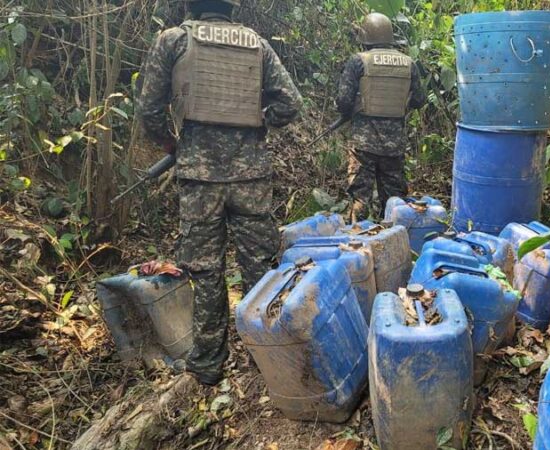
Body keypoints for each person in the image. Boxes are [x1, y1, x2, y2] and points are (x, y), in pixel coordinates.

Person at [136, 0, 302, 385]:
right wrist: (258, 122)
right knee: (260, 264)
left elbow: (149, 109)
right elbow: (291, 103)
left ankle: (209, 363)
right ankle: (268, 357)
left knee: (206, 270)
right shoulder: (256, 43)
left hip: (199, 180)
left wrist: (173, 144)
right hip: (251, 176)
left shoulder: (174, 39)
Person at [336, 12, 426, 222]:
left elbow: (343, 101)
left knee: (360, 198)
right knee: (395, 201)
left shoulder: (358, 61)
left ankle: (359, 241)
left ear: (365, 37)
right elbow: (419, 99)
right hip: (394, 145)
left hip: (363, 145)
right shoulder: (409, 63)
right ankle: (395, 238)